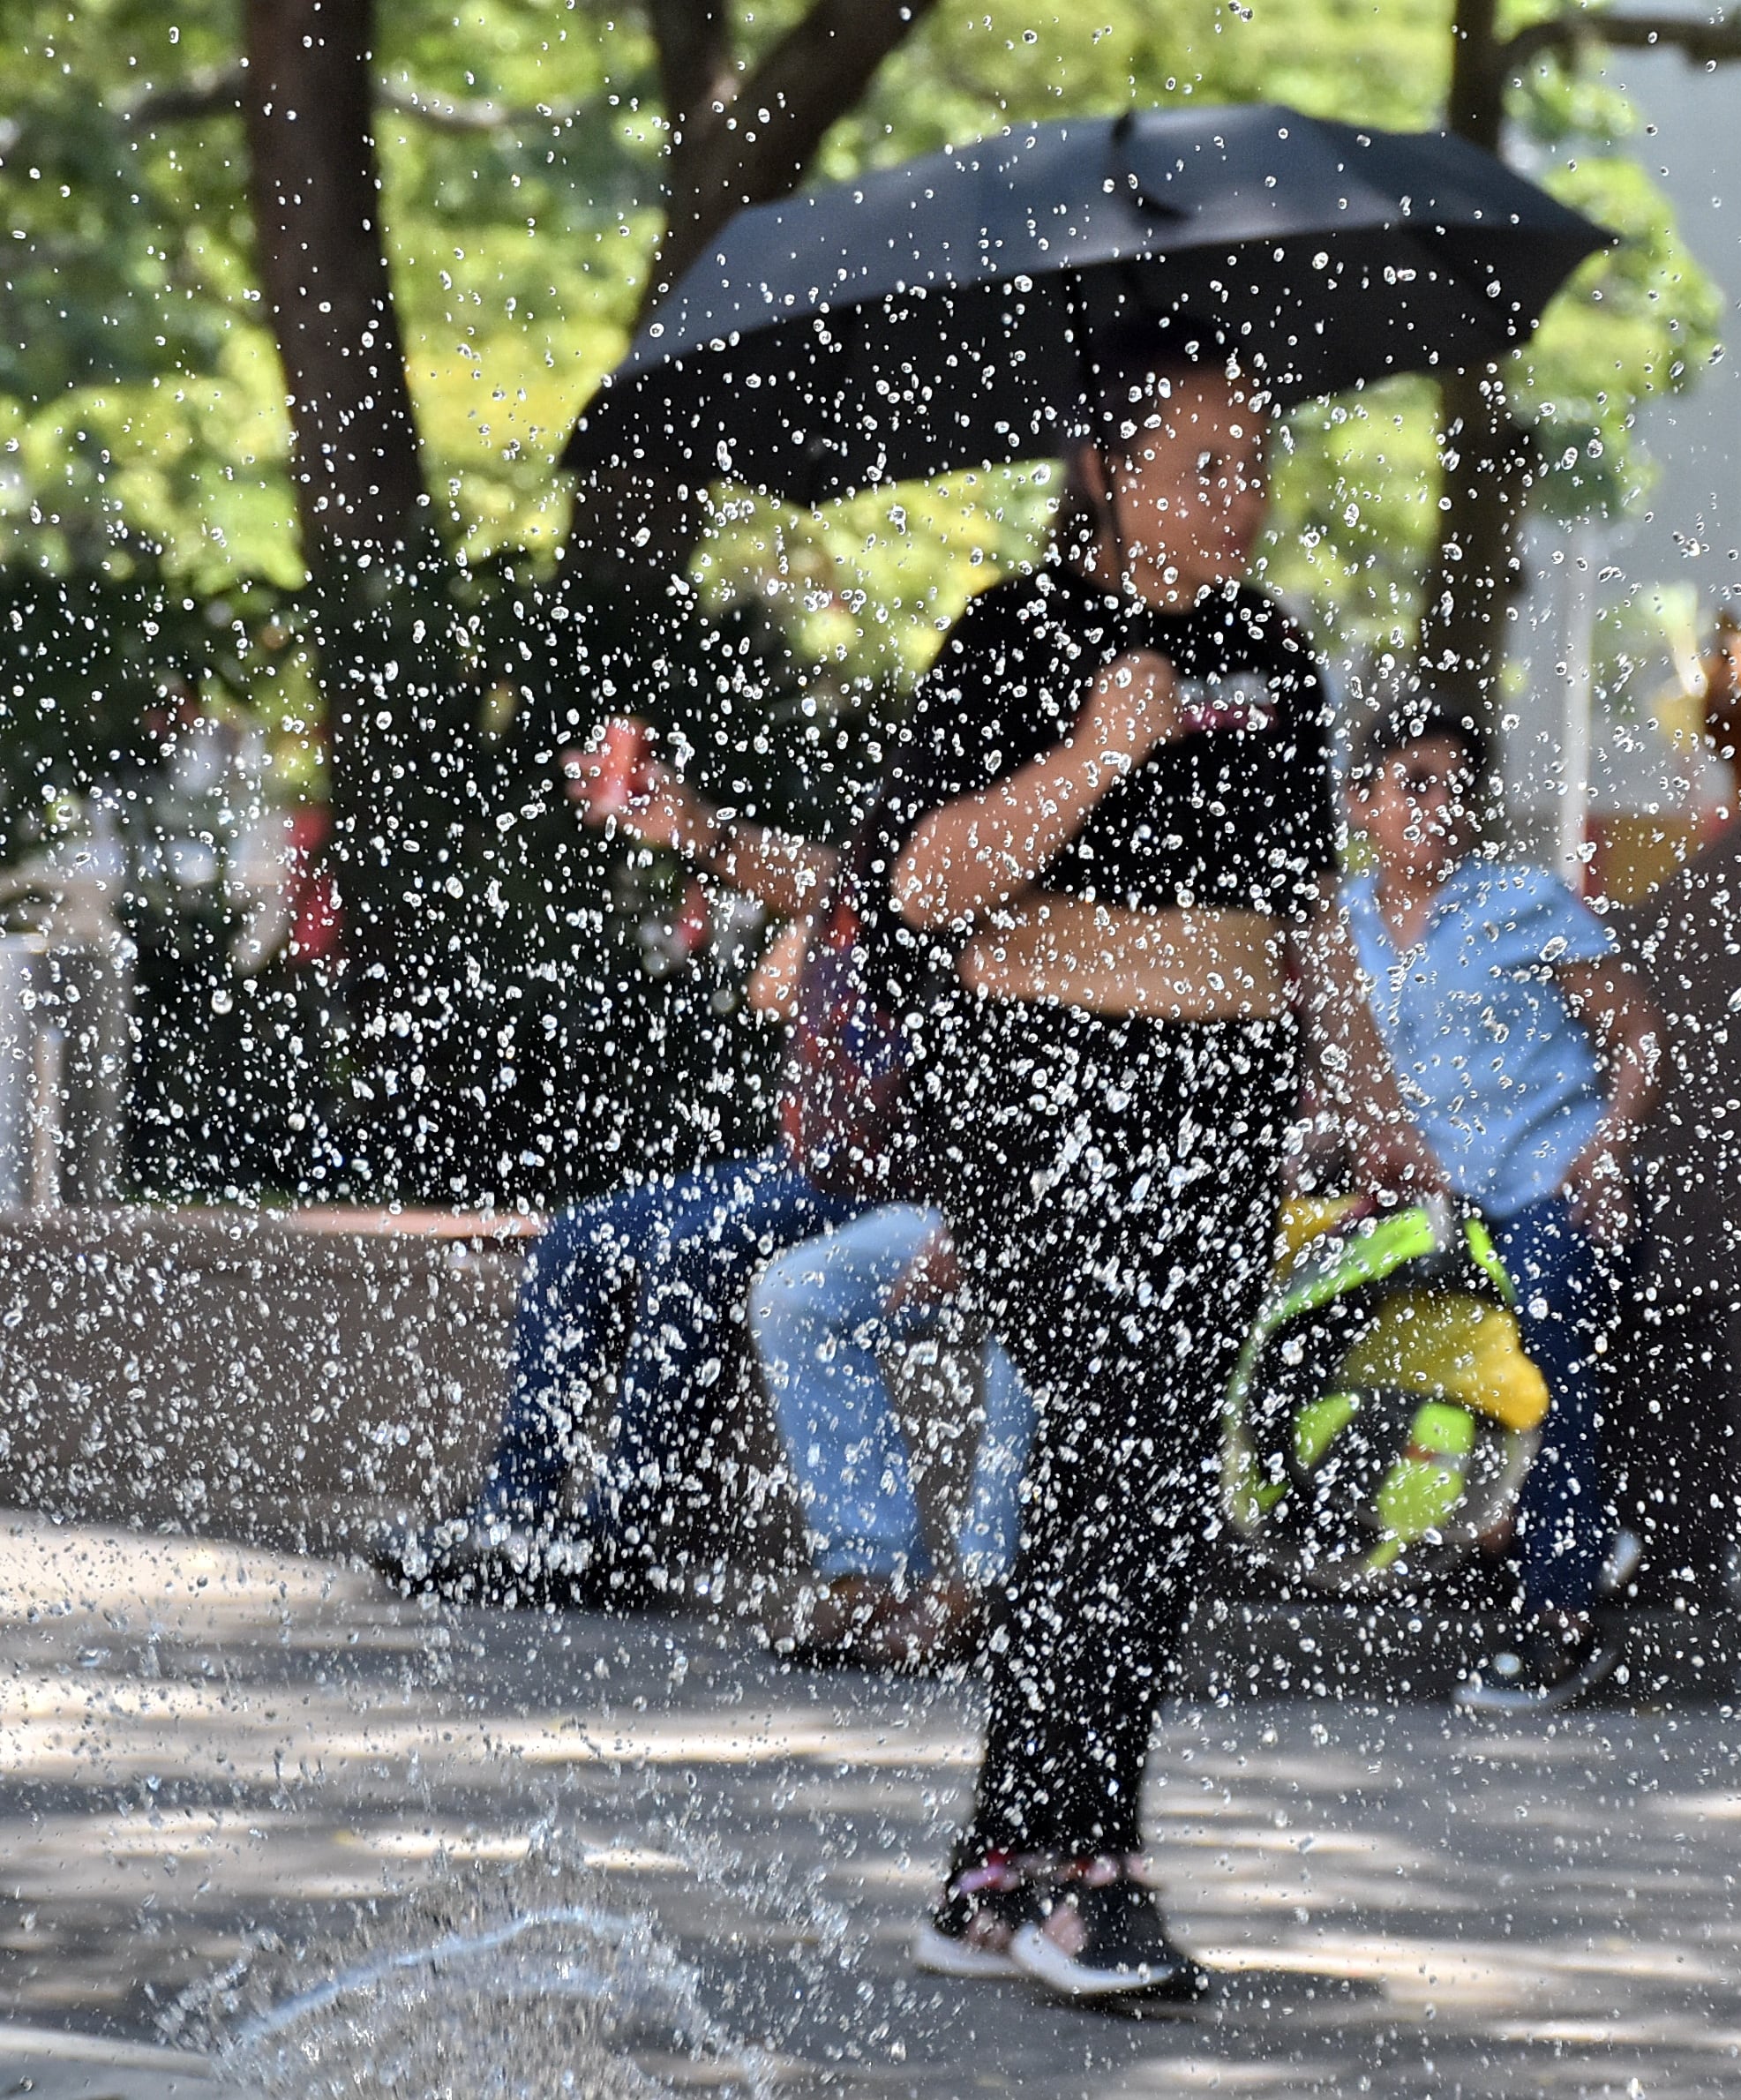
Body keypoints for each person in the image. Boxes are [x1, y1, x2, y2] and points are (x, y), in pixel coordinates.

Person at [865, 317, 1333, 2001]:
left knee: (1145, 1468)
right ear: (1105, 472)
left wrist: (1359, 1101)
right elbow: (921, 886)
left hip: (1224, 1098)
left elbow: (1304, 914)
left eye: (1254, 462)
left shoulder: (1274, 653)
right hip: (1045, 1094)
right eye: (1199, 463)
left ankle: (997, 1874)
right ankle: (1079, 1873)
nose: (1237, 493)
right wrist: (1098, 751)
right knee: (1122, 1449)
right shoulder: (1011, 634)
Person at [380, 743, 863, 1604]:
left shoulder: (973, 870)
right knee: (577, 1239)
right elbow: (773, 985)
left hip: (883, 1180)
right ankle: (513, 1511)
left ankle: (626, 1533)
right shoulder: (881, 877)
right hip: (797, 1164)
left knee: (696, 1243)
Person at [1326, 702, 1662, 1714]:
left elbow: (1638, 1034)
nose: (1438, 805)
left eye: (1455, 787)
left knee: (1541, 1330)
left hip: (1545, 1191)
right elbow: (1331, 1077)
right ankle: (1530, 1529)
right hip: (1419, 1209)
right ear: (1361, 801)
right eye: (1413, 783)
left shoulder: (1524, 901)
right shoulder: (1335, 925)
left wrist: (1607, 1151)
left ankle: (1559, 1614)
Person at [753, 1203, 1038, 1666]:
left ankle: (975, 1591)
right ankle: (873, 1569)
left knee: (1031, 1335)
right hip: (961, 1209)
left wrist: (972, 1236)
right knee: (789, 1295)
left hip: (1050, 1229)